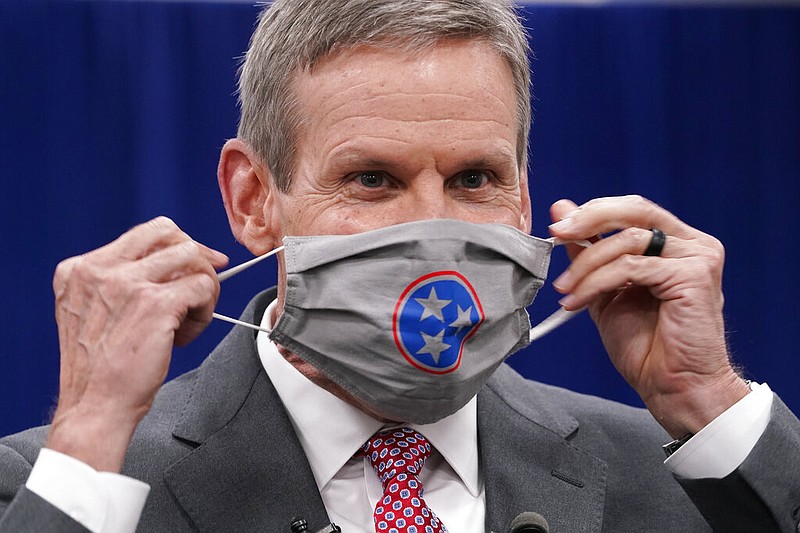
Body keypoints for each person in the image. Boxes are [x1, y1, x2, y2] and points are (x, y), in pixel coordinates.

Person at [1, 0, 798, 531]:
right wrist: (94, 435)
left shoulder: (681, 484)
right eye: (372, 179)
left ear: (525, 199)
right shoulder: (64, 485)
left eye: (474, 179)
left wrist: (708, 403)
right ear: (252, 200)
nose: (433, 230)